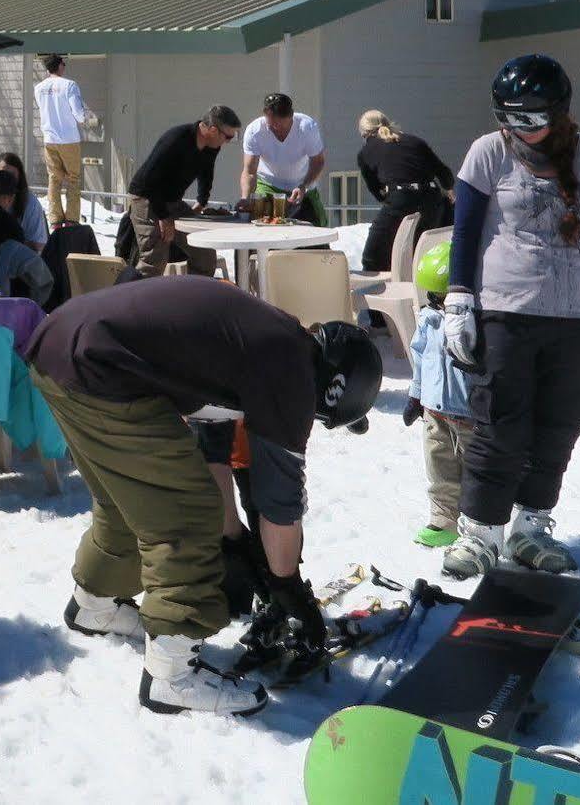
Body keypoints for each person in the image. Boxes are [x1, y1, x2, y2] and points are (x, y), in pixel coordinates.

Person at [25, 273, 381, 716]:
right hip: (99, 369)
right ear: (334, 392)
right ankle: (172, 676)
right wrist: (286, 585)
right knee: (185, 516)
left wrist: (233, 540)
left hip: (61, 348)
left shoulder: (264, 345)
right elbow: (279, 504)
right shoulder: (292, 376)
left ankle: (94, 604)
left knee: (129, 501)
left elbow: (212, 447)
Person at [437, 54, 580, 579]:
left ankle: (530, 528)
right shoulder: (488, 153)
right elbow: (466, 233)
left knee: (559, 425)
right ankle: (479, 533)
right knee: (501, 424)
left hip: (575, 315)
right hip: (506, 310)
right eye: (510, 117)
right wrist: (458, 300)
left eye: (531, 118)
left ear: (559, 111)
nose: (519, 129)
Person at [406, 240, 472, 548]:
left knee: (475, 470)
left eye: (441, 296)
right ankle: (444, 520)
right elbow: (420, 357)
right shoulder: (428, 319)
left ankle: (478, 523)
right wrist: (416, 395)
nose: (436, 302)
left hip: (471, 414)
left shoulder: (473, 324)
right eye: (433, 296)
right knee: (440, 468)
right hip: (435, 411)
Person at [126, 106, 239, 279]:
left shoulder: (212, 145)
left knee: (204, 254)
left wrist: (202, 201)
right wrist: (163, 217)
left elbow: (206, 172)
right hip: (147, 197)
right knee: (154, 258)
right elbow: (150, 180)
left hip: (172, 201)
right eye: (228, 137)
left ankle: (192, 298)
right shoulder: (176, 139)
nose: (228, 142)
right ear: (213, 130)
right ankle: (136, 303)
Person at [356, 110, 454, 272]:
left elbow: (376, 191)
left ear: (365, 133)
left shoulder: (366, 152)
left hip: (400, 198)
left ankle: (389, 291)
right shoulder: (415, 141)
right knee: (423, 250)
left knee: (373, 256)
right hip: (432, 198)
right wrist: (449, 188)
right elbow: (443, 173)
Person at [239, 93, 328, 226]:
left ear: (292, 115)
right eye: (272, 125)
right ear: (265, 115)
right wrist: (245, 198)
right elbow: (250, 171)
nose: (277, 129)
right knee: (260, 227)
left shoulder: (307, 127)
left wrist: (304, 186)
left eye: (282, 126)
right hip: (268, 185)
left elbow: (318, 162)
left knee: (316, 230)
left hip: (302, 187)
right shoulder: (255, 131)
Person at [34, 55, 96, 227]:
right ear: (60, 66)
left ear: (48, 68)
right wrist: (84, 118)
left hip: (49, 138)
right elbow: (77, 112)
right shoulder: (69, 85)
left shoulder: (39, 88)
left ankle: (55, 219)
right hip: (69, 139)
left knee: (54, 179)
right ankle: (71, 219)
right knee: (73, 179)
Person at [0, 151, 50, 251]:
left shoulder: (31, 203)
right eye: (2, 173)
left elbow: (39, 245)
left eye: (11, 175)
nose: (6, 178)